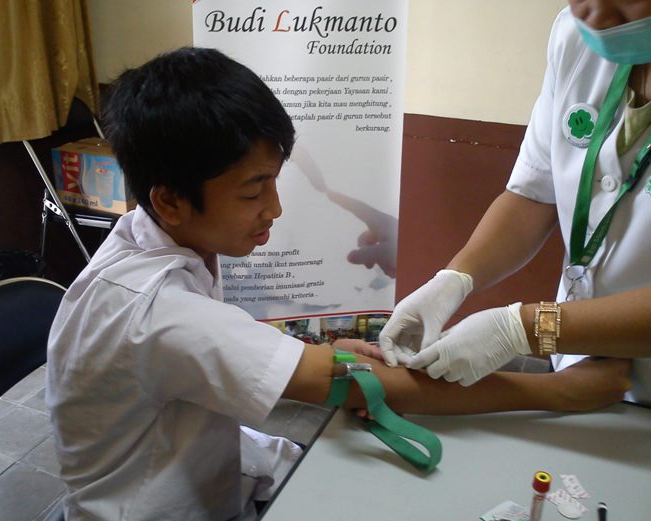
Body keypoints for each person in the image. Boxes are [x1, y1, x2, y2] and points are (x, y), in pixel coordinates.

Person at [46, 47, 631, 521]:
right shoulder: (159, 310)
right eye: (252, 191)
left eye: (274, 181)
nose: (274, 208)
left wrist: (319, 352)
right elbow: (354, 386)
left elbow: (212, 344)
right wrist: (558, 393)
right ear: (171, 201)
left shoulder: (146, 240)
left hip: (195, 473)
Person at [380, 1, 651, 403]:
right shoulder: (575, 38)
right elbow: (533, 194)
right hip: (582, 372)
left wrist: (522, 329)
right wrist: (454, 280)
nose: (591, 13)